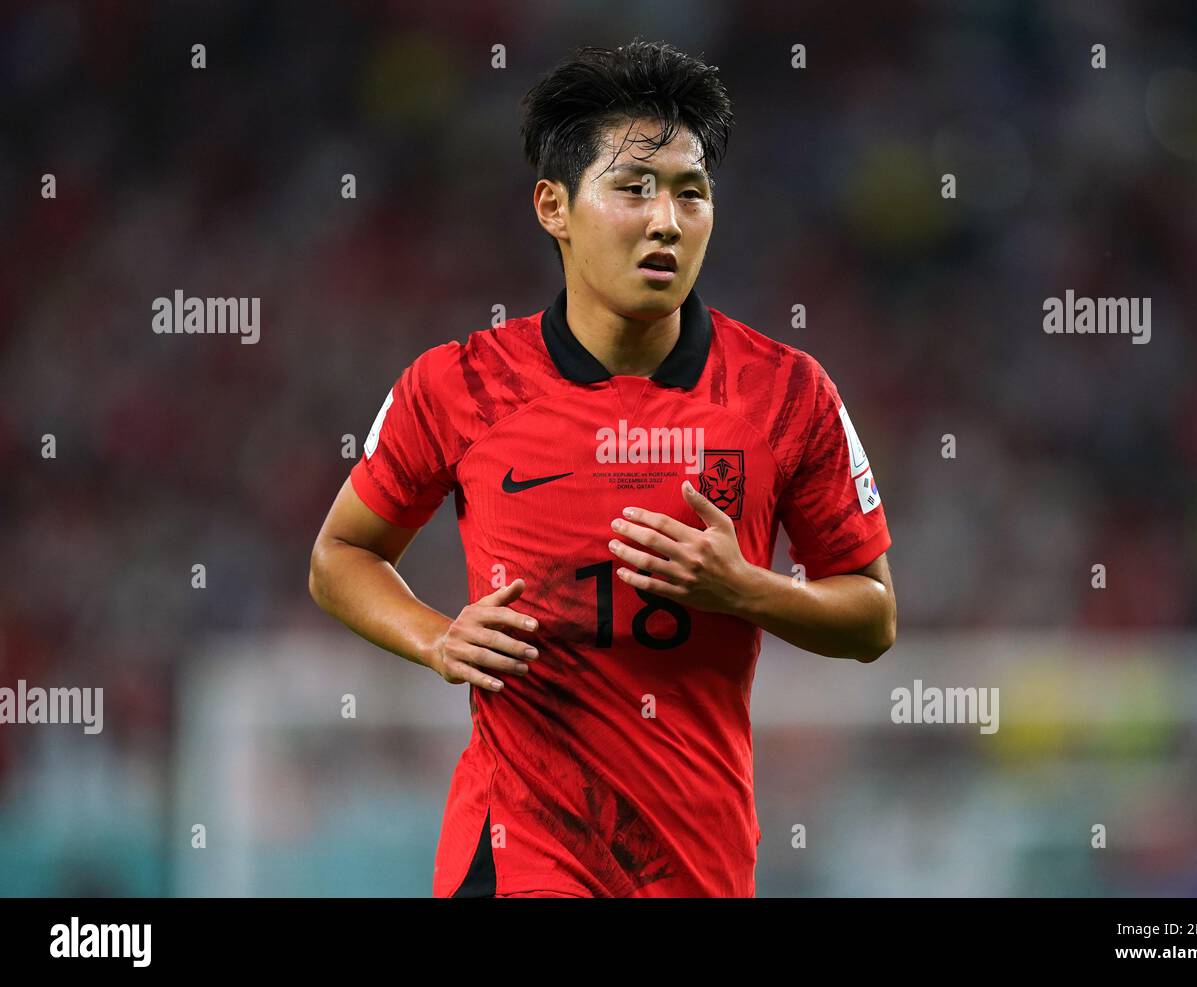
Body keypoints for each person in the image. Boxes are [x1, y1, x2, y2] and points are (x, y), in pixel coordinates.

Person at [308, 40, 896, 898]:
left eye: (691, 193)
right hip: (516, 851)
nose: (667, 220)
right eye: (635, 188)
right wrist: (436, 637)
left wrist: (747, 589)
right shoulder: (459, 383)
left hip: (696, 861)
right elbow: (340, 557)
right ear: (554, 206)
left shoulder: (786, 394)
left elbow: (872, 616)